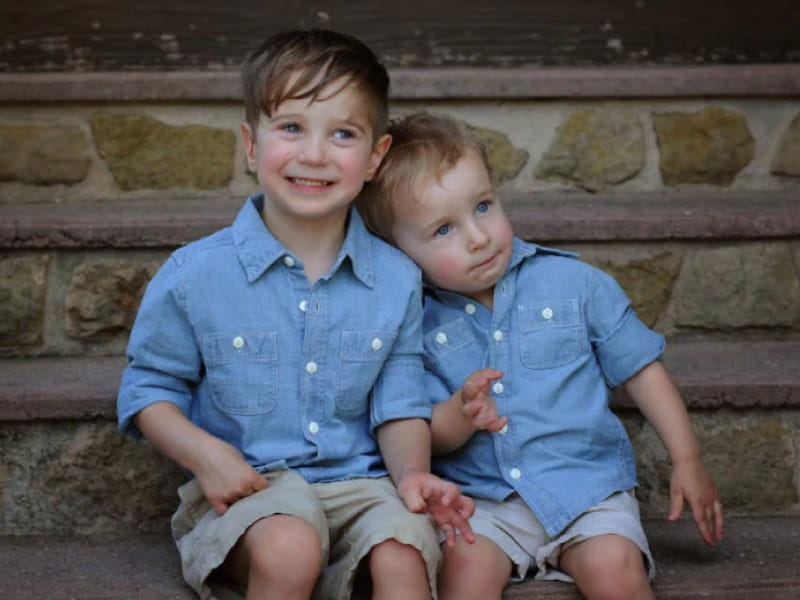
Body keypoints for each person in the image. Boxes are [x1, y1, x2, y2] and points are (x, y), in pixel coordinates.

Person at [117, 33, 476, 600]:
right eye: (291, 128)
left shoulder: (396, 278)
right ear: (251, 146)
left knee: (405, 551)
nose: (314, 154)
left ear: (375, 157)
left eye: (343, 133)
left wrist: (411, 475)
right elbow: (147, 390)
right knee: (291, 548)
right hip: (252, 491)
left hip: (362, 485)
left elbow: (400, 401)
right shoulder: (196, 275)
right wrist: (206, 455)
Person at [357, 112, 724, 600]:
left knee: (615, 568)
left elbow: (641, 367)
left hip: (586, 491)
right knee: (462, 574)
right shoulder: (414, 326)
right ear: (399, 252)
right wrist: (462, 414)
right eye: (443, 230)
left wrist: (687, 458)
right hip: (483, 504)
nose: (478, 236)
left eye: (483, 206)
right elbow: (426, 433)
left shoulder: (574, 284)